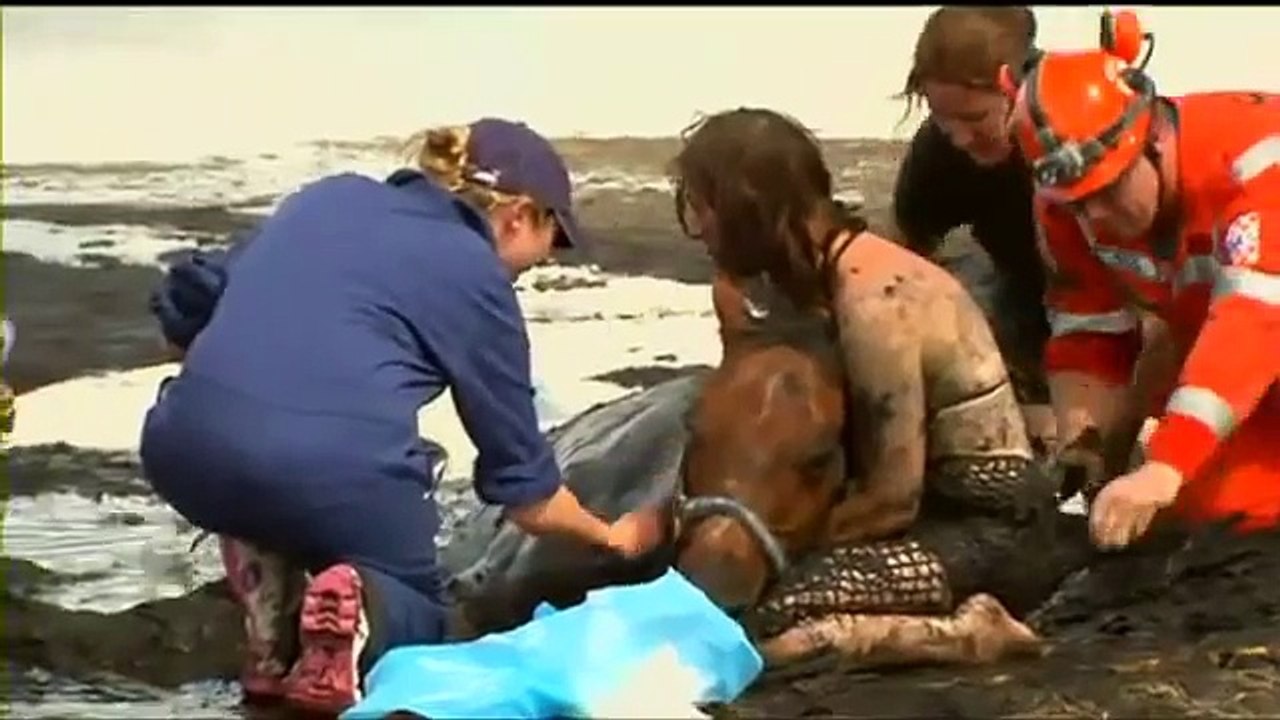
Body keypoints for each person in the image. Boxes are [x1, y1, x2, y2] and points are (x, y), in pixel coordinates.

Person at [141, 118, 666, 715]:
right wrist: (614, 536)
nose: (547, 258)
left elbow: (190, 298)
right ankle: (360, 614)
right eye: (556, 236)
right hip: (332, 472)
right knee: (423, 610)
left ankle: (273, 624)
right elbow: (528, 495)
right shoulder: (477, 276)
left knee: (267, 463)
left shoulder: (330, 196)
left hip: (182, 449)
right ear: (518, 215)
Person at [669, 107, 1067, 668]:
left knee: (770, 615)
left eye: (704, 209)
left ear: (747, 209)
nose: (700, 229)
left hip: (984, 525)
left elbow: (890, 500)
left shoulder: (876, 301)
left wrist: (768, 546)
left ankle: (966, 633)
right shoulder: (791, 284)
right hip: (914, 506)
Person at [1005, 10, 1280, 551]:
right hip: (1248, 365)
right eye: (1078, 205)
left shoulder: (1257, 167)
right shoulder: (1067, 203)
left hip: (1258, 337)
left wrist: (1165, 465)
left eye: (1109, 193)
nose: (1095, 218)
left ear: (1153, 139)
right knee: (1207, 516)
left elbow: (1254, 324)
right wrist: (1086, 443)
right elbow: (1088, 329)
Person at [891, 6, 1058, 453]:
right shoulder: (939, 152)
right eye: (943, 118)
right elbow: (903, 256)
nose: (959, 137)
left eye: (975, 119)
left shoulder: (1084, 128)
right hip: (1022, 288)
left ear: (1017, 86)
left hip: (1127, 287)